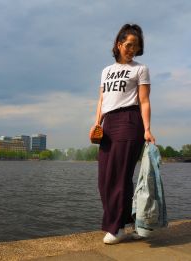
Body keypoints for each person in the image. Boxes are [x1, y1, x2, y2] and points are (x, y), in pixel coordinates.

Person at [93, 24, 155, 244]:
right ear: (119, 44)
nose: (132, 50)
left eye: (136, 47)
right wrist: (97, 123)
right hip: (108, 124)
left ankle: (117, 227)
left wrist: (147, 129)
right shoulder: (106, 71)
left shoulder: (140, 69)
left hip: (129, 121)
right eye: (128, 45)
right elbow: (102, 100)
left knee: (119, 177)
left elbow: (145, 100)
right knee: (104, 179)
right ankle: (129, 222)